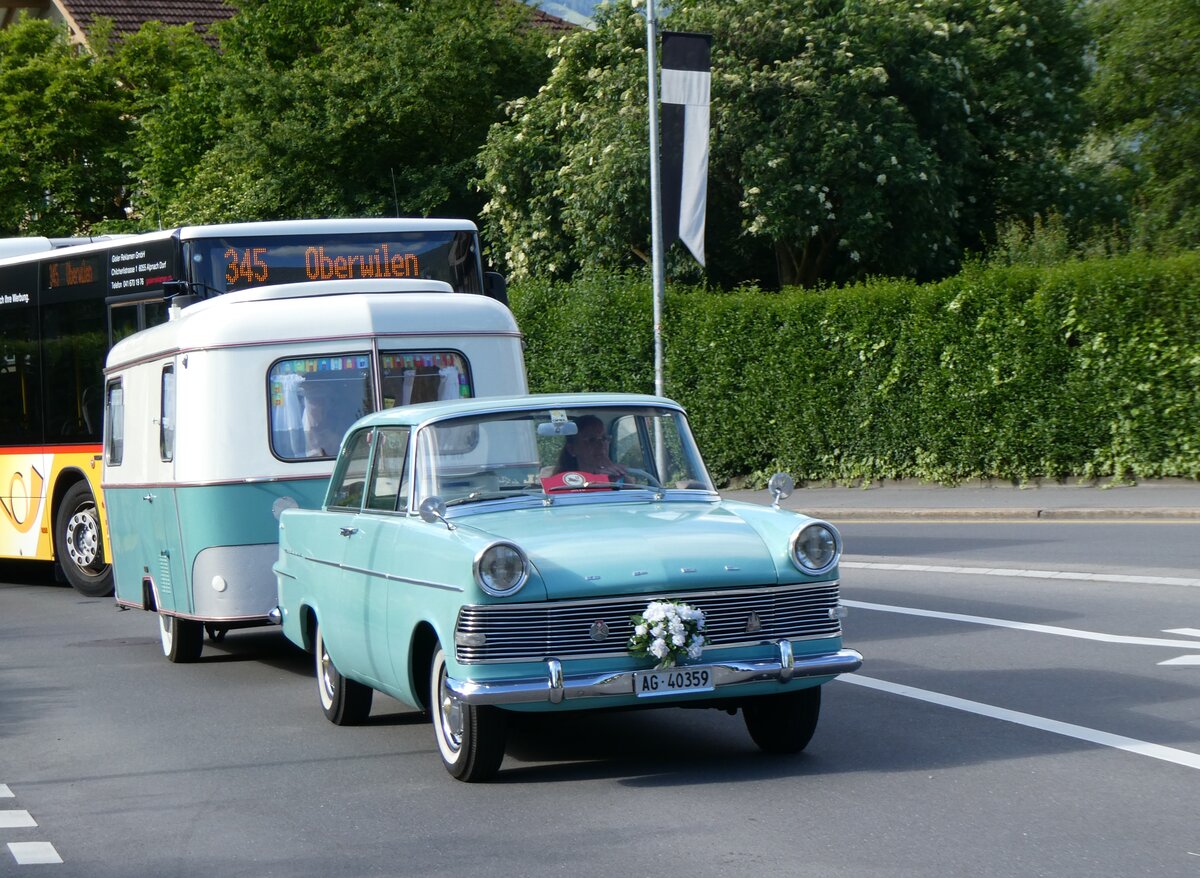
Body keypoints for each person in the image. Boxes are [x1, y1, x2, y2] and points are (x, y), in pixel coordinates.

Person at [553, 415, 629, 479]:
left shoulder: (618, 476)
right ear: (572, 449)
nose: (601, 445)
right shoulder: (561, 482)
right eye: (591, 440)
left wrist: (620, 479)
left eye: (604, 438)